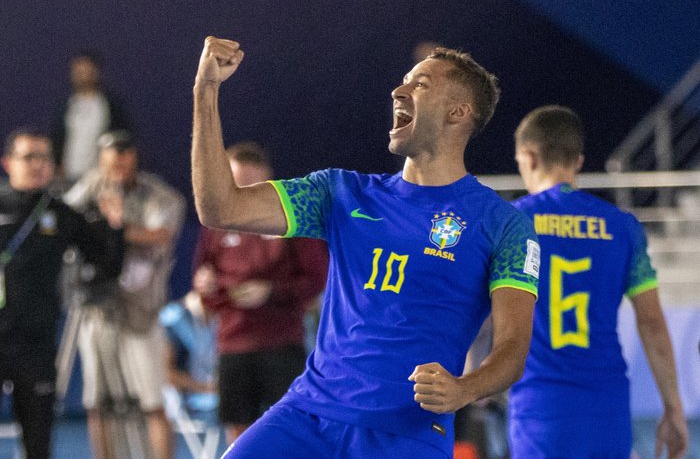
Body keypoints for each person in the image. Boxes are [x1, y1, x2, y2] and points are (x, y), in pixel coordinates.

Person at [191, 36, 540, 458]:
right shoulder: (341, 192)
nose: (399, 91)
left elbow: (512, 349)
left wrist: (464, 389)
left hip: (406, 432)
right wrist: (205, 91)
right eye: (404, 81)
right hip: (307, 415)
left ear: (458, 112)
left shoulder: (504, 225)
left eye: (421, 84)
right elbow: (219, 207)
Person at [509, 105, 689, 459]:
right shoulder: (622, 227)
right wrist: (673, 409)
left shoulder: (513, 222)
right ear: (577, 161)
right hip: (606, 407)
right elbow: (652, 323)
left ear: (528, 157)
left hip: (540, 407)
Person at [192, 141, 328, 443]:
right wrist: (206, 289)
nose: (240, 191)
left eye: (248, 184)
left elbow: (315, 280)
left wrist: (269, 292)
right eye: (234, 182)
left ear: (266, 179)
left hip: (282, 342)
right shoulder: (216, 222)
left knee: (292, 430)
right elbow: (204, 278)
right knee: (238, 431)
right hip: (232, 344)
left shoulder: (292, 218)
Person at [0, 127, 124, 458]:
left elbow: (107, 266)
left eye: (44, 157)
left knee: (39, 444)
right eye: (29, 157)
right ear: (8, 162)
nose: (38, 164)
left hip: (36, 345)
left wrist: (114, 227)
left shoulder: (62, 213)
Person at [64, 129, 186, 459]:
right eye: (110, 156)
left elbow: (161, 234)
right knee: (98, 404)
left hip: (140, 313)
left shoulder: (160, 195)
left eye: (124, 155)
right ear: (101, 159)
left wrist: (112, 228)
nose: (118, 162)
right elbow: (64, 221)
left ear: (134, 157)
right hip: (97, 310)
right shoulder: (89, 187)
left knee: (152, 402)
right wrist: (101, 227)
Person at [49, 51, 131, 186]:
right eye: (78, 70)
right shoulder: (65, 107)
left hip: (101, 179)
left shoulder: (111, 107)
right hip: (68, 178)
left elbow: (122, 140)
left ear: (97, 72)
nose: (82, 75)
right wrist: (57, 167)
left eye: (87, 70)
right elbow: (56, 138)